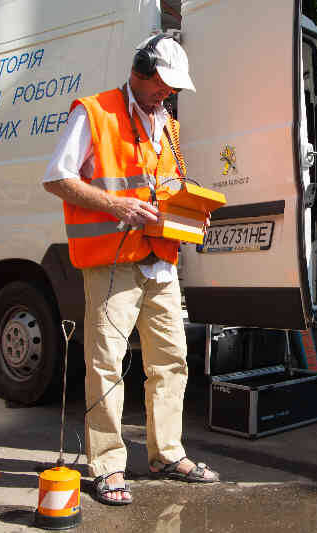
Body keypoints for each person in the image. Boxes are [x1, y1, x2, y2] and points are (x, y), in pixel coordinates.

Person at [42, 34, 219, 506]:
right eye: (163, 84)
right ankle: (106, 465)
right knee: (106, 366)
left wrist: (189, 209)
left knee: (171, 362)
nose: (169, 94)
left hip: (161, 261)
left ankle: (167, 453)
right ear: (140, 72)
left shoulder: (168, 124)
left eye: (173, 88)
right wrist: (115, 205)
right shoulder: (94, 112)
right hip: (112, 261)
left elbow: (164, 185)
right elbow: (57, 177)